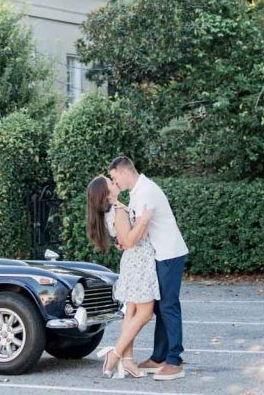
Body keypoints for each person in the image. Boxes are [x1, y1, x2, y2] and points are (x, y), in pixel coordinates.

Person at [109, 156, 188, 382]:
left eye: (115, 177)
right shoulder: (136, 192)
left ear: (124, 172)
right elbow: (135, 230)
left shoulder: (146, 191)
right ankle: (159, 357)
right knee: (161, 306)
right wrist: (124, 240)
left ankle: (174, 360)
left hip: (169, 253)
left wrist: (126, 240)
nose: (116, 183)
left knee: (168, 305)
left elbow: (139, 233)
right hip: (159, 254)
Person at [86, 174, 159, 378]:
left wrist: (130, 235)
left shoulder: (113, 209)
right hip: (139, 261)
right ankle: (115, 354)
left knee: (132, 311)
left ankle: (128, 362)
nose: (114, 182)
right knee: (145, 313)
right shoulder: (117, 210)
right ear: (106, 194)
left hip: (133, 260)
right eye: (110, 183)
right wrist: (144, 221)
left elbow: (124, 240)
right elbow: (130, 240)